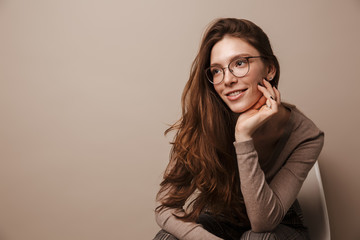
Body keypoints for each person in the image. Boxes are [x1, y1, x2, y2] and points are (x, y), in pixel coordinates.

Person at [153, 18, 324, 240]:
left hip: (277, 227)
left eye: (240, 63)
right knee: (168, 237)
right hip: (221, 220)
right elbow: (165, 208)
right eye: (216, 70)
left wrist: (243, 137)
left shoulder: (306, 136)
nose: (228, 80)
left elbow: (262, 222)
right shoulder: (203, 120)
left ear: (270, 69)